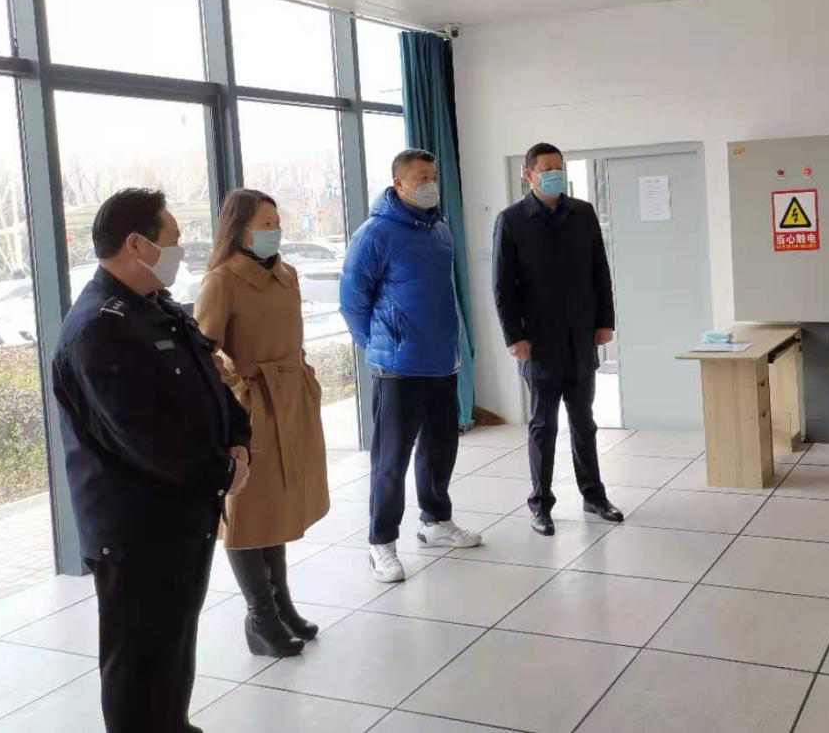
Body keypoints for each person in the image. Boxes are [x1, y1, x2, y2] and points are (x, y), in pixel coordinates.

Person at [52, 189, 251, 733]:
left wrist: (239, 438)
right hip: (137, 531)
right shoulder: (98, 329)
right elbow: (143, 438)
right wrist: (223, 471)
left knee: (173, 643)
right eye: (173, 239)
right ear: (137, 245)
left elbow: (212, 382)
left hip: (181, 516)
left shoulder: (155, 307)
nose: (181, 250)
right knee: (138, 659)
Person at [195, 189, 330, 658]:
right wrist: (240, 385)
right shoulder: (222, 280)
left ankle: (281, 605)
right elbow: (203, 352)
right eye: (265, 223)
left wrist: (301, 375)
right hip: (253, 406)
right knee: (248, 511)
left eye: (277, 222)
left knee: (276, 507)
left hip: (291, 401)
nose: (275, 230)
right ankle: (261, 617)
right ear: (240, 228)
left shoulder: (287, 274)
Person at [340, 148, 481, 583]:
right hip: (398, 369)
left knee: (440, 450)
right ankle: (380, 543)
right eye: (421, 177)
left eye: (433, 175)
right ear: (399, 183)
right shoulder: (374, 233)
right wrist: (380, 346)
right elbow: (352, 300)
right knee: (391, 460)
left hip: (442, 362)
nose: (430, 183)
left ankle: (436, 521)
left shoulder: (439, 229)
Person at [492, 143, 625, 536]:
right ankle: (540, 504)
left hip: (580, 336)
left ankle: (594, 495)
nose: (554, 174)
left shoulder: (582, 213)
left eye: (558, 168)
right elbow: (502, 286)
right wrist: (514, 336)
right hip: (537, 342)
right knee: (542, 426)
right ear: (528, 174)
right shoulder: (511, 220)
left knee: (584, 422)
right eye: (546, 169)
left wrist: (605, 322)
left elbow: (600, 271)